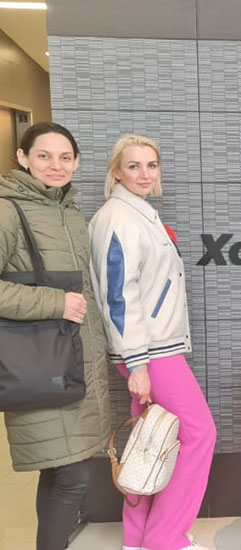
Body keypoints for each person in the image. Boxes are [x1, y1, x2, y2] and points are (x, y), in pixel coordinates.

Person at [89, 134, 216, 550]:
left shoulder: (141, 214)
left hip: (153, 349)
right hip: (150, 352)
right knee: (199, 433)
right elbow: (118, 296)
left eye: (151, 165)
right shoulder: (118, 217)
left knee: (150, 442)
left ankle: (137, 538)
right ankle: (166, 538)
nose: (144, 174)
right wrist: (138, 363)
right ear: (116, 171)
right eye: (133, 166)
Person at [0, 122, 111, 550]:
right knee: (74, 475)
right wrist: (55, 302)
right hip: (39, 361)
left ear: (77, 162)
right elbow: (63, 298)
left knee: (59, 470)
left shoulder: (69, 212)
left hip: (72, 360)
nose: (56, 165)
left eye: (65, 157)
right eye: (44, 155)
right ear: (23, 158)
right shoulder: (9, 210)